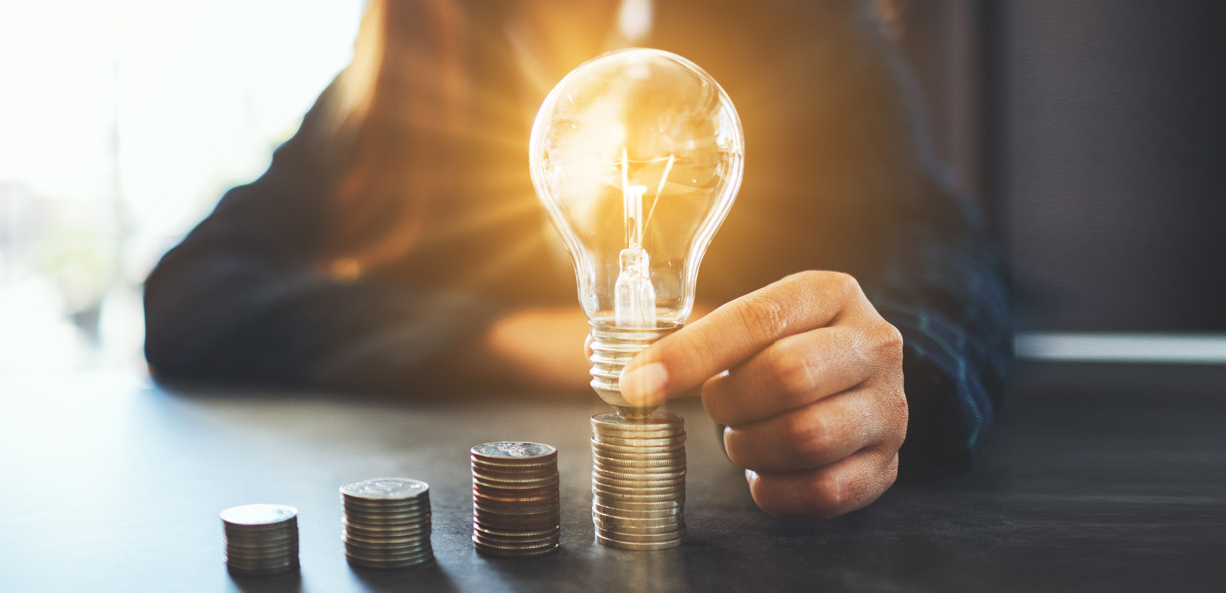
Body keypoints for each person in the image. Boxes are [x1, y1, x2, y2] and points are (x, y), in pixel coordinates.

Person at [143, 0, 1011, 518]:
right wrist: (514, 338)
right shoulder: (406, 75)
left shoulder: (799, 29)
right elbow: (189, 291)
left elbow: (950, 258)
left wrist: (900, 367)